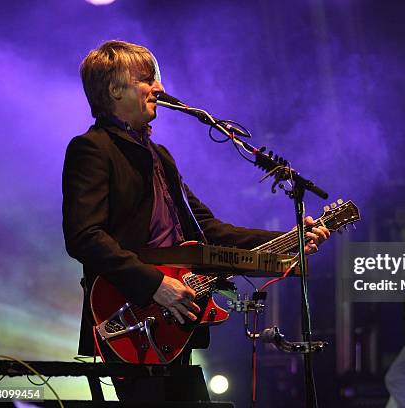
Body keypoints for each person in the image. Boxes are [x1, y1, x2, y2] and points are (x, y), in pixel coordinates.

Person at [62, 40, 330, 401]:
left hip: (176, 316)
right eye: (146, 79)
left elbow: (210, 231)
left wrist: (290, 238)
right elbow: (84, 236)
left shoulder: (161, 157)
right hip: (130, 315)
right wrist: (155, 284)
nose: (159, 87)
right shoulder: (92, 149)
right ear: (114, 89)